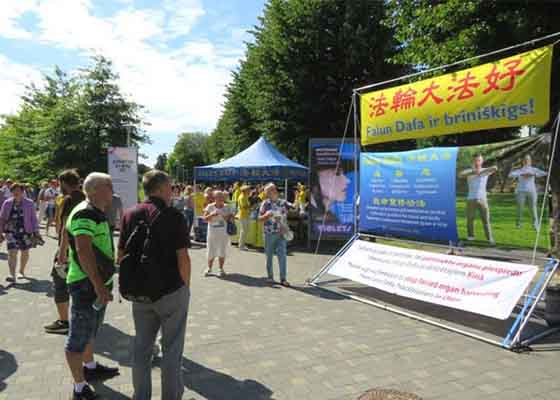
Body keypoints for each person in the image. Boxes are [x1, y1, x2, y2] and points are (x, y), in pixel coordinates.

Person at [118, 170, 191, 400]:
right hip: (170, 291)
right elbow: (183, 258)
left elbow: (121, 254)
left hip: (139, 292)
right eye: (170, 187)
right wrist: (185, 288)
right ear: (160, 189)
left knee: (142, 348)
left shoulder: (130, 214)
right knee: (172, 350)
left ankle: (141, 396)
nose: (173, 191)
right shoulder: (173, 216)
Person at [64, 173, 119, 400]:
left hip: (95, 284)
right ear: (96, 189)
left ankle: (90, 367)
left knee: (91, 330)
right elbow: (83, 250)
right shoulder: (85, 212)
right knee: (78, 336)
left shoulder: (95, 211)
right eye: (109, 186)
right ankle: (79, 387)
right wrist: (98, 286)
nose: (113, 191)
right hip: (86, 284)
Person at [45, 169, 85, 335]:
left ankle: (64, 321)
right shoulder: (86, 197)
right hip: (84, 248)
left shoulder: (69, 200)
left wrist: (62, 253)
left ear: (64, 183)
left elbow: (66, 230)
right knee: (81, 283)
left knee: (59, 281)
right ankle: (82, 317)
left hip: (68, 248)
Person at [0, 183, 41, 282]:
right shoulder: (7, 203)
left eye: (18, 190)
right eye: (14, 190)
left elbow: (34, 219)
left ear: (23, 192)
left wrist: (36, 231)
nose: (16, 192)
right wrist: (0, 231)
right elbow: (2, 218)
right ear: (11, 192)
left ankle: (21, 271)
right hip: (11, 231)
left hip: (26, 231)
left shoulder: (29, 203)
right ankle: (12, 275)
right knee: (12, 252)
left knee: (24, 251)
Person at [459, 154, 497, 245]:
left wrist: (481, 172)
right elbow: (460, 175)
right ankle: (471, 237)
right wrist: (473, 172)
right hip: (471, 199)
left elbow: (495, 168)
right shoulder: (469, 171)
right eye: (475, 160)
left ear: (481, 161)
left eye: (479, 160)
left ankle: (490, 239)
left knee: (486, 220)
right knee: (470, 219)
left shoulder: (485, 171)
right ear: (473, 161)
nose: (477, 162)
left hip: (483, 199)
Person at [259, 183, 291, 287]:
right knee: (269, 256)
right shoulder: (265, 203)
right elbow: (259, 219)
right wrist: (266, 215)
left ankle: (283, 278)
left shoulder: (283, 202)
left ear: (275, 191)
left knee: (282, 256)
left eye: (271, 190)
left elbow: (294, 208)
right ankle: (270, 277)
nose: (269, 193)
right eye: (267, 192)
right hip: (269, 233)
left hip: (281, 233)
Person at [509, 155, 547, 230]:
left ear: (530, 161)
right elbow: (510, 175)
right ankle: (518, 225)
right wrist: (521, 174)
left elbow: (544, 173)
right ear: (523, 161)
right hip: (520, 191)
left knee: (533, 208)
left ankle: (535, 225)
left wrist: (534, 174)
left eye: (528, 160)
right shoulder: (520, 170)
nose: (527, 161)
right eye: (525, 160)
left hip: (532, 191)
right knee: (520, 208)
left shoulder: (533, 169)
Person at [203, 190, 234, 276]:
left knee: (222, 251)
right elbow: (205, 218)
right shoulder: (210, 206)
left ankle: (221, 269)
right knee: (210, 250)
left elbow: (231, 219)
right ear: (214, 198)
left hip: (223, 234)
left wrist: (224, 216)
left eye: (221, 197)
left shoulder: (227, 207)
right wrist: (212, 215)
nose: (220, 199)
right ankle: (209, 268)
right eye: (218, 197)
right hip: (212, 233)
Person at [237, 185, 251, 251]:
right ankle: (241, 245)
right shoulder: (242, 197)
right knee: (243, 231)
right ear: (245, 191)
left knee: (245, 231)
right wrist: (251, 206)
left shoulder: (245, 196)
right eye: (248, 190)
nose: (249, 191)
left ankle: (242, 244)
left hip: (246, 215)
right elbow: (244, 207)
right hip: (243, 215)